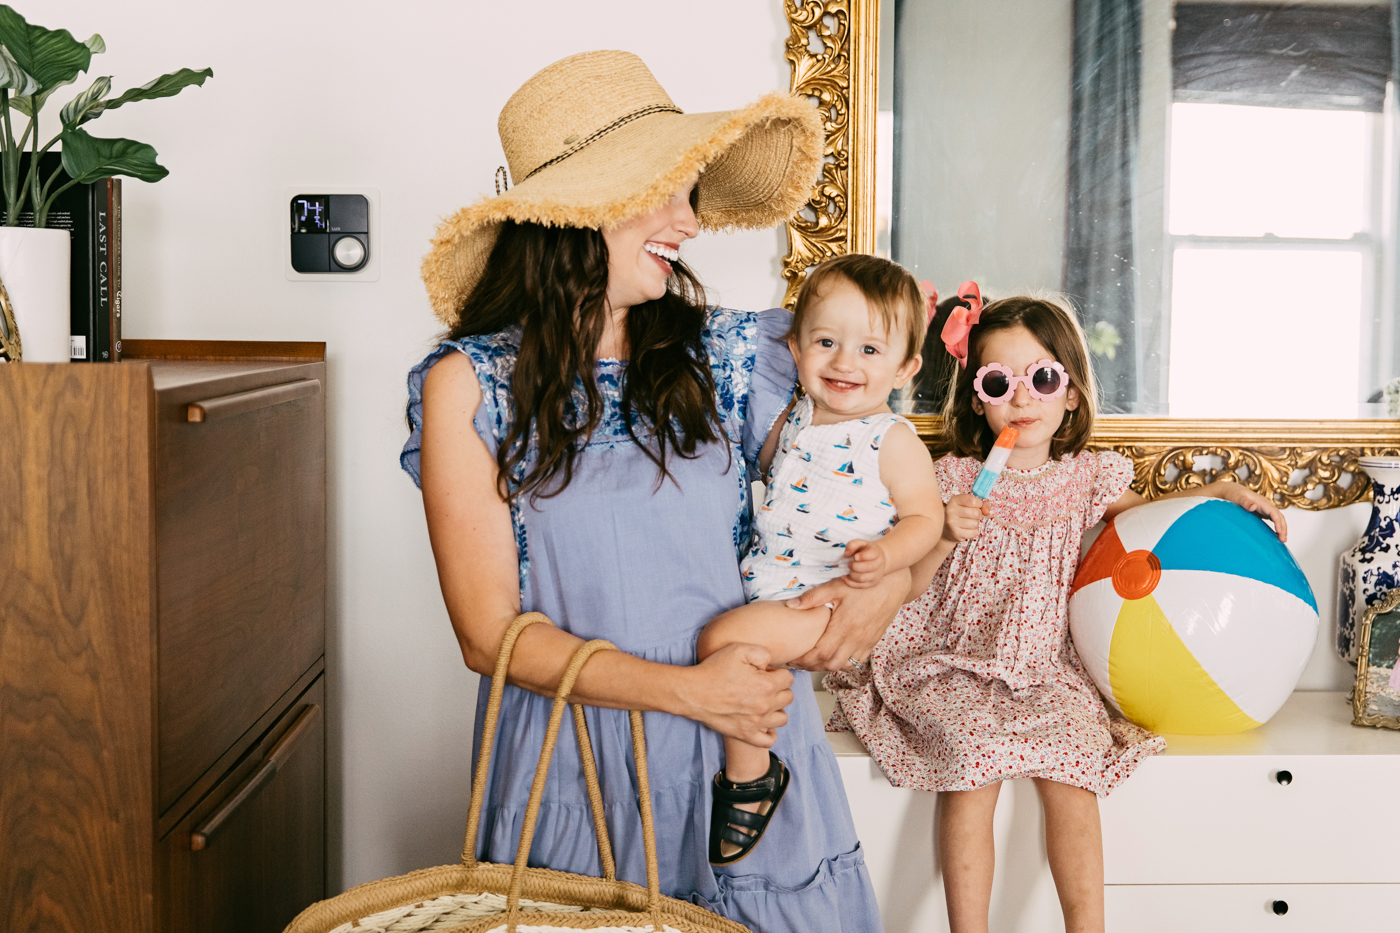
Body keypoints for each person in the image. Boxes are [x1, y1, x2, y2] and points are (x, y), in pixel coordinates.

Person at [402, 50, 900, 932]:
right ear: (573, 213)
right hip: (578, 766)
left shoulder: (741, 356)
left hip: (748, 753)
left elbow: (877, 479)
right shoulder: (469, 385)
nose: (689, 221)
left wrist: (886, 586)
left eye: (690, 192)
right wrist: (689, 693)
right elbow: (489, 636)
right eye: (661, 194)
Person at [824, 294, 1289, 933]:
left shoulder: (1087, 479)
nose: (1023, 399)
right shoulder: (950, 480)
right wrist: (940, 537)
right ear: (977, 399)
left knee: (1074, 771)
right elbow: (907, 588)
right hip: (954, 658)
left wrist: (1218, 494)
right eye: (999, 382)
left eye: (1042, 379)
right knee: (971, 760)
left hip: (1047, 665)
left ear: (1069, 393)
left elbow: (1149, 521)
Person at [695, 254, 943, 865]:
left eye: (869, 350)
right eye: (826, 342)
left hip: (821, 595)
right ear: (796, 346)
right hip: (775, 581)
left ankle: (751, 774)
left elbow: (925, 519)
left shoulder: (891, 439)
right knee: (733, 643)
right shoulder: (795, 418)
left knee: (724, 641)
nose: (843, 363)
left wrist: (884, 557)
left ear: (906, 366)